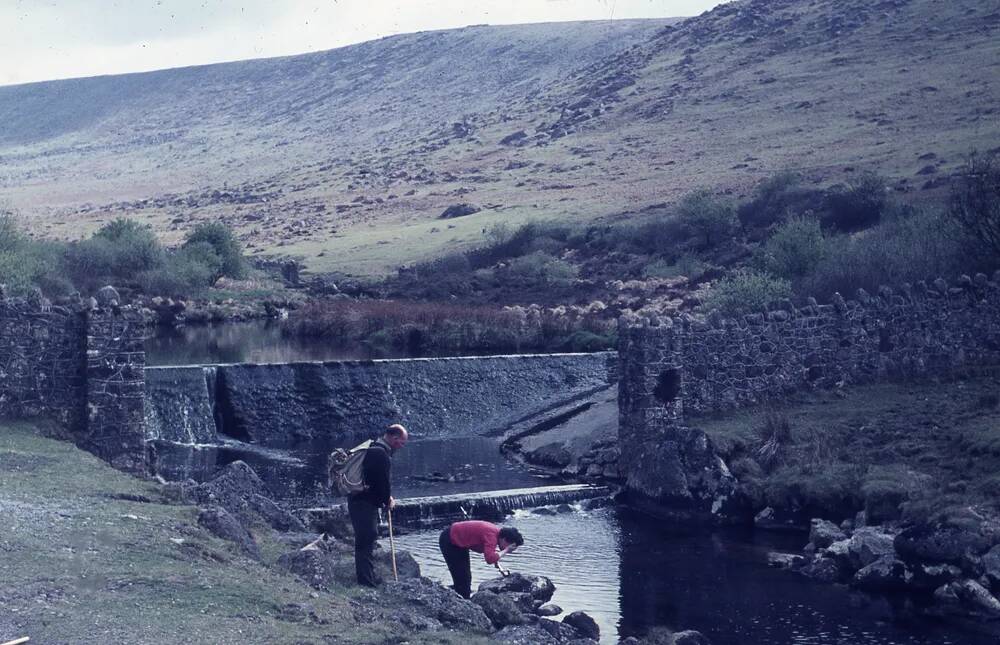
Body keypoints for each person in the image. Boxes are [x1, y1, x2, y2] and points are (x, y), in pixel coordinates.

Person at [347, 423, 408, 587]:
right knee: (366, 540)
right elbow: (383, 483)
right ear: (394, 438)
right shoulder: (381, 454)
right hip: (363, 504)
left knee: (365, 540)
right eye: (401, 442)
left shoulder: (373, 447)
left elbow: (373, 480)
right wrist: (388, 500)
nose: (401, 446)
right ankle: (366, 582)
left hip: (358, 500)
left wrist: (385, 497)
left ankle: (368, 578)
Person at [438, 520, 523, 598]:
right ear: (504, 540)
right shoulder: (492, 535)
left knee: (464, 578)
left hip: (457, 541)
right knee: (462, 578)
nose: (510, 552)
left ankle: (456, 596)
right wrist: (505, 550)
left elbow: (487, 550)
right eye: (510, 548)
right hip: (450, 540)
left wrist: (496, 557)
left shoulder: (495, 533)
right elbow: (489, 559)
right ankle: (462, 604)